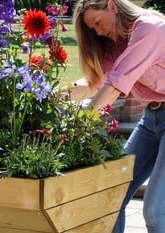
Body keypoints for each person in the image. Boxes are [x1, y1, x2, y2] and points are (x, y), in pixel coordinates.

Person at [71, 0, 165, 232]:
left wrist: (80, 122)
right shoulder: (119, 43)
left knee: (155, 211)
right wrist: (48, 94)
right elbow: (95, 82)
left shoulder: (149, 29)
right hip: (151, 119)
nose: (99, 31)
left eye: (98, 23)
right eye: (93, 29)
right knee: (112, 196)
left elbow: (114, 86)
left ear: (112, 6)